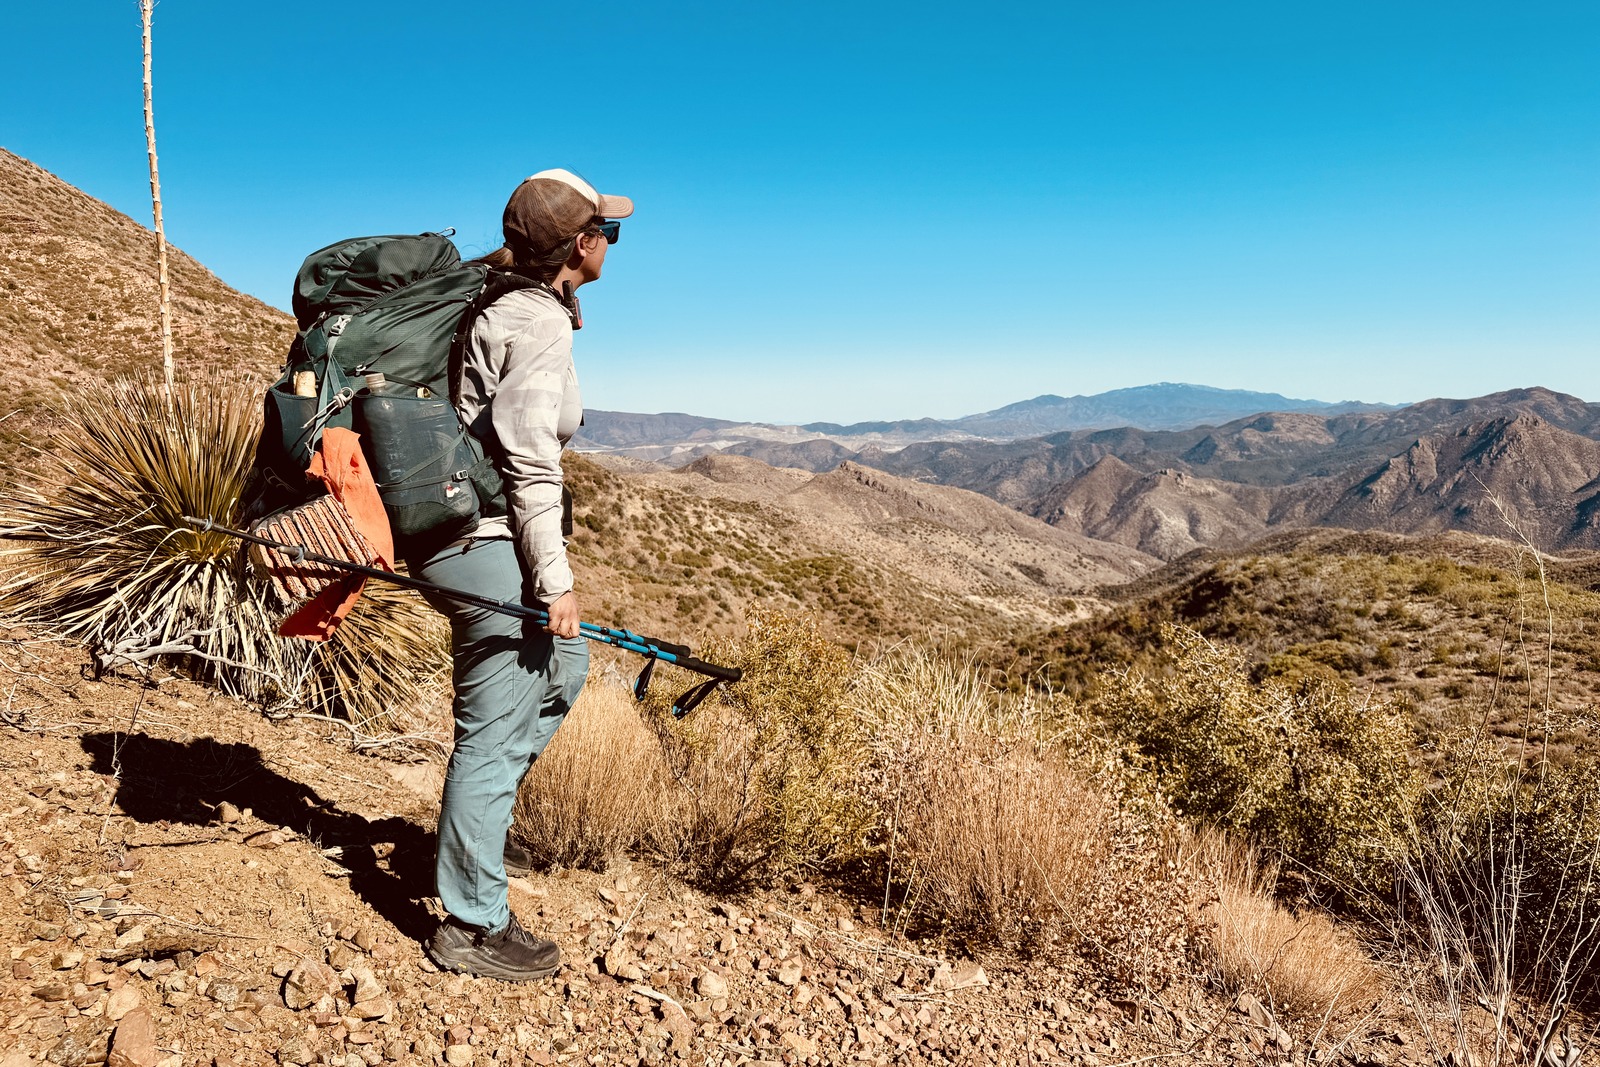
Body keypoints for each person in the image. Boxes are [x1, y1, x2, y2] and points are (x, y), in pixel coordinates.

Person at [411, 169, 632, 982]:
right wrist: (555, 582)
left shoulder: (503, 303)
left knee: (561, 667)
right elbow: (532, 463)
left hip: (468, 534)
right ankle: (470, 919)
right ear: (581, 244)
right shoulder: (537, 324)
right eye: (609, 231)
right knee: (496, 724)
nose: (613, 242)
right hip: (483, 539)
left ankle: (477, 832)